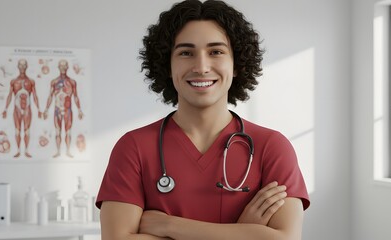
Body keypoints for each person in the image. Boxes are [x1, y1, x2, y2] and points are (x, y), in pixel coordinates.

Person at [96, 0, 310, 239]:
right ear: (167, 64)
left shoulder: (272, 147)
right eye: (186, 53)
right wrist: (242, 233)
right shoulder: (134, 147)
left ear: (236, 63)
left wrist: (170, 227)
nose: (201, 66)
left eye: (216, 52)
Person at [43, 59, 84, 158]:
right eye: (61, 66)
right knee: (57, 132)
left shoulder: (72, 82)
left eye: (64, 66)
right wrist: (46, 110)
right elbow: (50, 96)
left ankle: (68, 151)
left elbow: (75, 96)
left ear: (67, 67)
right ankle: (58, 151)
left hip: (67, 110)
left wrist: (79, 110)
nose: (63, 68)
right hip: (57, 109)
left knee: (68, 132)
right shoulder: (54, 82)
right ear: (58, 68)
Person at [2, 59, 42, 158]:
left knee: (27, 130)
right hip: (17, 109)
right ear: (18, 66)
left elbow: (35, 96)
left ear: (27, 66)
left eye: (24, 65)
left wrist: (38, 109)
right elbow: (10, 96)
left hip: (28, 108)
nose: (22, 67)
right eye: (21, 65)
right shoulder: (14, 81)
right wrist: (5, 109)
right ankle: (18, 151)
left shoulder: (31, 81)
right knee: (17, 130)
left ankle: (27, 151)